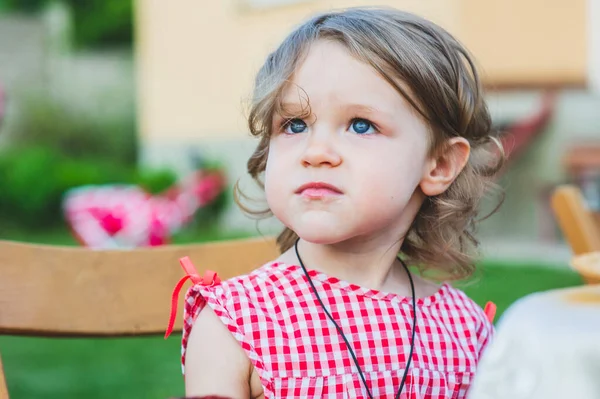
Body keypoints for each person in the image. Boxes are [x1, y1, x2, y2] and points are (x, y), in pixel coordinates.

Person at [165, 6, 504, 398]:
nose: (317, 151)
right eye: (294, 125)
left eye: (361, 125)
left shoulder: (462, 327)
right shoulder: (237, 323)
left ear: (439, 165)